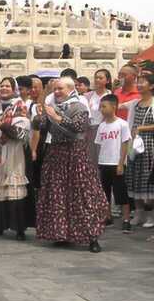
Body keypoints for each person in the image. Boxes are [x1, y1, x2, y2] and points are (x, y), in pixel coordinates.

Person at [34, 77, 107, 253]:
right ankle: (61, 234)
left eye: (60, 89)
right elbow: (40, 126)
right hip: (57, 154)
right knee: (57, 194)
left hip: (76, 155)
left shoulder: (79, 106)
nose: (57, 92)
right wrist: (39, 116)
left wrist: (57, 117)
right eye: (55, 89)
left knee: (83, 196)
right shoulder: (53, 107)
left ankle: (92, 237)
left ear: (70, 89)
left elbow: (79, 127)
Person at [0, 79, 32, 240]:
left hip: (13, 152)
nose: (4, 88)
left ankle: (19, 229)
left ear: (14, 89)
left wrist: (1, 126)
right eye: (2, 86)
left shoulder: (19, 105)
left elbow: (21, 133)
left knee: (14, 189)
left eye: (7, 86)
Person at [95, 95, 131, 232]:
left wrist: (121, 163)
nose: (101, 109)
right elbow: (99, 145)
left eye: (104, 106)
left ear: (113, 107)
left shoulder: (122, 124)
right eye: (100, 107)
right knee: (105, 192)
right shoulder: (102, 126)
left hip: (116, 163)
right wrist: (99, 161)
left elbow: (125, 143)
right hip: (104, 163)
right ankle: (107, 216)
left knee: (121, 192)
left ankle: (126, 219)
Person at [123, 75, 154, 228]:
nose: (139, 84)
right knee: (134, 177)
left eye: (143, 82)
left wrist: (141, 128)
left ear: (152, 86)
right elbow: (119, 105)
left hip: (149, 145)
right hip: (134, 144)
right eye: (138, 82)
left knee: (148, 179)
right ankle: (139, 213)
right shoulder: (135, 103)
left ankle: (150, 216)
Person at [84, 69, 112, 165]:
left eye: (100, 78)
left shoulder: (110, 95)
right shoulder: (87, 95)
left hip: (104, 129)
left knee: (101, 156)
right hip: (89, 129)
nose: (97, 80)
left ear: (107, 81)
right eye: (96, 78)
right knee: (89, 157)